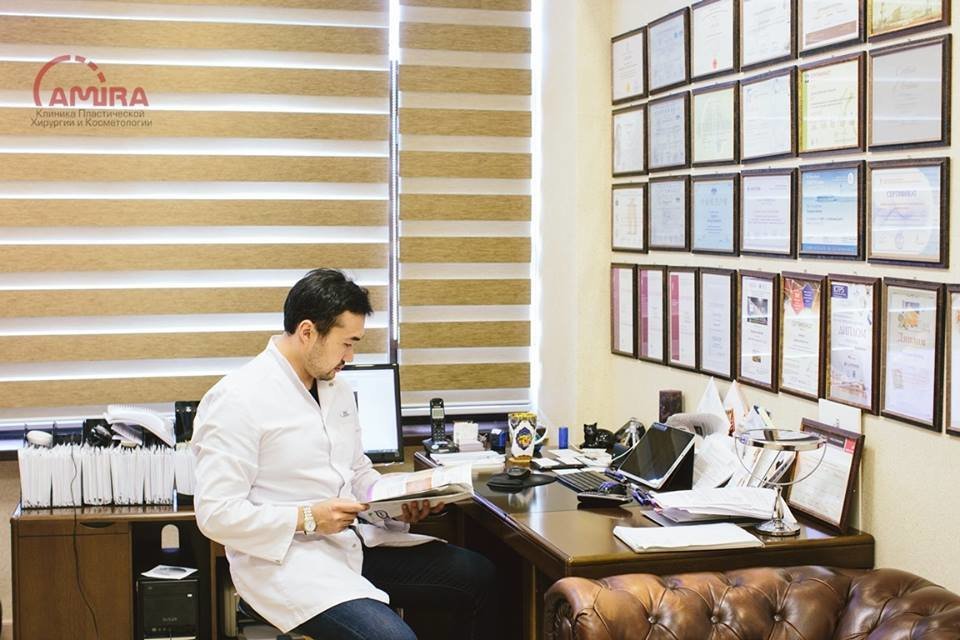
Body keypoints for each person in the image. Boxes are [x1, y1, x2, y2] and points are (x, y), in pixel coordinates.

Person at [192, 268, 496, 640]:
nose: (350, 357)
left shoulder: (337, 389)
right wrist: (308, 518)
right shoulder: (237, 399)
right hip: (286, 564)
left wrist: (400, 502)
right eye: (346, 344)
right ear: (308, 332)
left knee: (477, 574)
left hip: (348, 545)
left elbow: (356, 473)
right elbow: (216, 514)